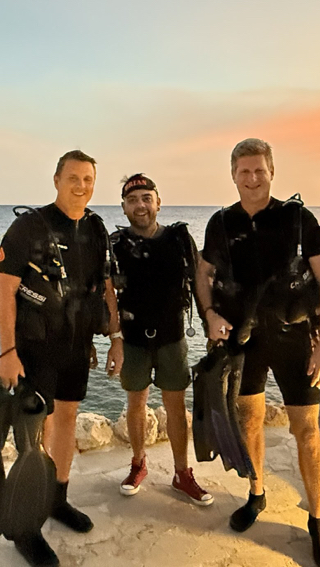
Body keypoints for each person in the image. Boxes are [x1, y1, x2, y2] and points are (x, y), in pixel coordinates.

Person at [195, 138, 320, 567]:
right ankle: (256, 493)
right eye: (244, 171)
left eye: (260, 170)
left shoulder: (297, 218)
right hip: (245, 341)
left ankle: (317, 521)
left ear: (272, 172)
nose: (253, 178)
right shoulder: (221, 223)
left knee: (307, 432)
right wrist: (209, 314)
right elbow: (203, 273)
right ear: (233, 175)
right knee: (249, 421)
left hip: (294, 339)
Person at [0, 150, 124, 566]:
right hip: (35, 348)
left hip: (76, 346)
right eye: (73, 178)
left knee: (66, 418)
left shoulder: (96, 229)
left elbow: (106, 287)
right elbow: (4, 292)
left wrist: (115, 337)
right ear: (56, 180)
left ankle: (57, 498)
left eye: (88, 179)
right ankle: (25, 528)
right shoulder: (29, 227)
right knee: (34, 433)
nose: (81, 186)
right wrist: (7, 352)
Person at [110, 173, 213, 505]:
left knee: (176, 405)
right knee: (136, 403)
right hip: (132, 338)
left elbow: (199, 281)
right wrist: (112, 338)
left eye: (146, 198)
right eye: (132, 200)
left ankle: (182, 473)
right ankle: (138, 464)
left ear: (158, 202)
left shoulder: (179, 239)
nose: (140, 205)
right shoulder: (115, 244)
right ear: (124, 207)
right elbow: (106, 294)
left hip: (172, 336)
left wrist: (210, 323)